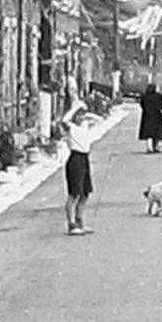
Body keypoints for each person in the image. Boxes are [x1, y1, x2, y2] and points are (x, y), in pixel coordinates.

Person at [61, 98, 97, 237]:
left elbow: (96, 117)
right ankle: (71, 224)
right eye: (78, 115)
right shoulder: (71, 127)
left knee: (85, 193)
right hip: (75, 158)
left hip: (85, 158)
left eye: (82, 115)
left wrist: (83, 108)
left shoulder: (85, 125)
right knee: (74, 194)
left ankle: (80, 221)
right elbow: (64, 120)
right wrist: (74, 109)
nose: (81, 117)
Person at [137, 81, 162, 153]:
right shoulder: (159, 96)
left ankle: (149, 147)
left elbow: (142, 105)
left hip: (146, 116)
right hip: (156, 116)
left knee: (148, 132)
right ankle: (155, 147)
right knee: (156, 132)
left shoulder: (144, 96)